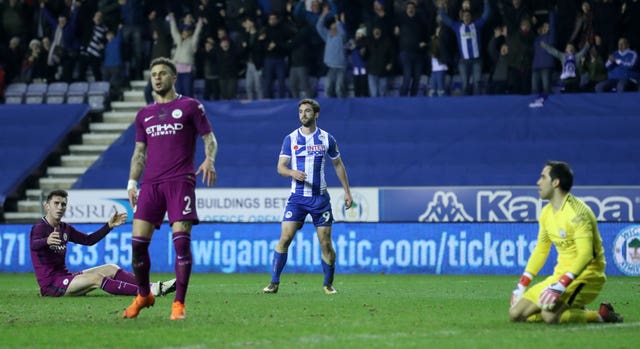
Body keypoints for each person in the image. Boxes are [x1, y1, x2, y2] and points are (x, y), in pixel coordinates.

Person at [122, 57, 218, 320]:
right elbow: (139, 152)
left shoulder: (190, 107)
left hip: (180, 182)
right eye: (153, 74)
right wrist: (132, 182)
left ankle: (178, 304)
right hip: (150, 185)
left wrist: (210, 159)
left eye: (163, 73)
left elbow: (209, 138)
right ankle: (144, 294)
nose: (157, 77)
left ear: (174, 77)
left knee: (181, 245)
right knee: (138, 247)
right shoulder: (144, 115)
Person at [509, 161, 623, 324]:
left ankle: (602, 315)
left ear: (555, 182)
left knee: (550, 316)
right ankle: (572, 309)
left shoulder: (578, 213)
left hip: (587, 276)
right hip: (560, 275)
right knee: (516, 314)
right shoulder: (546, 213)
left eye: (543, 177)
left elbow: (585, 255)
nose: (538, 182)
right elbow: (541, 249)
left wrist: (562, 285)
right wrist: (522, 284)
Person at [263, 98, 353, 295]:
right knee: (285, 238)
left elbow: (338, 164)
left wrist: (347, 191)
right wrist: (292, 173)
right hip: (297, 199)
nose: (303, 115)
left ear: (316, 115)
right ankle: (274, 282)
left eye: (307, 111)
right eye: (301, 111)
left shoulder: (327, 139)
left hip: (320, 199)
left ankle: (328, 284)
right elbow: (280, 167)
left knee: (325, 243)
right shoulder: (291, 139)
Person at [30, 190, 176, 298]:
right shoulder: (40, 228)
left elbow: (89, 240)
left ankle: (154, 287)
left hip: (65, 278)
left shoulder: (64, 228)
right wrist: (46, 241)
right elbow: (33, 245)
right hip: (51, 285)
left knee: (110, 268)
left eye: (63, 204)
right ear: (47, 206)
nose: (60, 207)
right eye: (56, 203)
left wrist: (108, 226)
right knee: (97, 278)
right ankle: (147, 292)